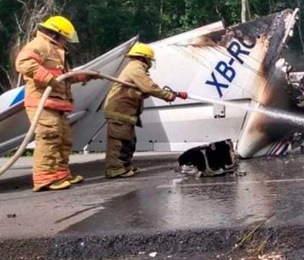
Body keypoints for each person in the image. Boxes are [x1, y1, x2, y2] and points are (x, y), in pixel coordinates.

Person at [15, 15, 96, 192]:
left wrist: (86, 75)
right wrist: (48, 79)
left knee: (64, 139)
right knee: (49, 138)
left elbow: (63, 78)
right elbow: (23, 62)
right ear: (55, 34)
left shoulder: (56, 50)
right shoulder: (39, 45)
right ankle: (45, 179)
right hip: (42, 103)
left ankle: (60, 175)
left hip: (57, 103)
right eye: (64, 37)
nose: (66, 41)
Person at [103, 43, 188, 178]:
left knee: (128, 140)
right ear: (144, 58)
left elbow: (141, 89)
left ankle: (125, 165)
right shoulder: (135, 68)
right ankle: (115, 169)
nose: (149, 64)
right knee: (119, 141)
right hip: (120, 111)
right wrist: (168, 96)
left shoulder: (134, 67)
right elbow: (149, 87)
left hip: (126, 111)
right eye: (149, 60)